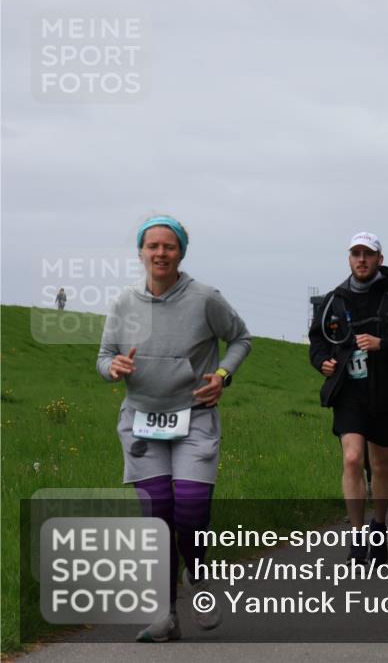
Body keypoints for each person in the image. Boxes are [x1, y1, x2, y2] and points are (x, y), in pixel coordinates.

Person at [97, 215, 252, 642]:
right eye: (153, 246)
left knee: (191, 507)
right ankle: (164, 615)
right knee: (157, 516)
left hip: (194, 416)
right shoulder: (124, 302)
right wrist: (113, 367)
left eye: (169, 246)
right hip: (142, 420)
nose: (160, 253)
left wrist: (222, 375)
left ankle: (196, 576)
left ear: (181, 252)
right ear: (141, 252)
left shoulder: (205, 298)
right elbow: (104, 356)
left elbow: (241, 339)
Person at [308, 232, 388, 565]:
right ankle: (358, 536)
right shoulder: (334, 300)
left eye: (368, 254)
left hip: (387, 391)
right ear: (349, 258)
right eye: (356, 253)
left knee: (381, 464)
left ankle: (380, 525)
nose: (361, 259)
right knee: (351, 458)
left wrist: (382, 344)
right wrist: (322, 362)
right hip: (349, 392)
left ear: (379, 259)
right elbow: (317, 342)